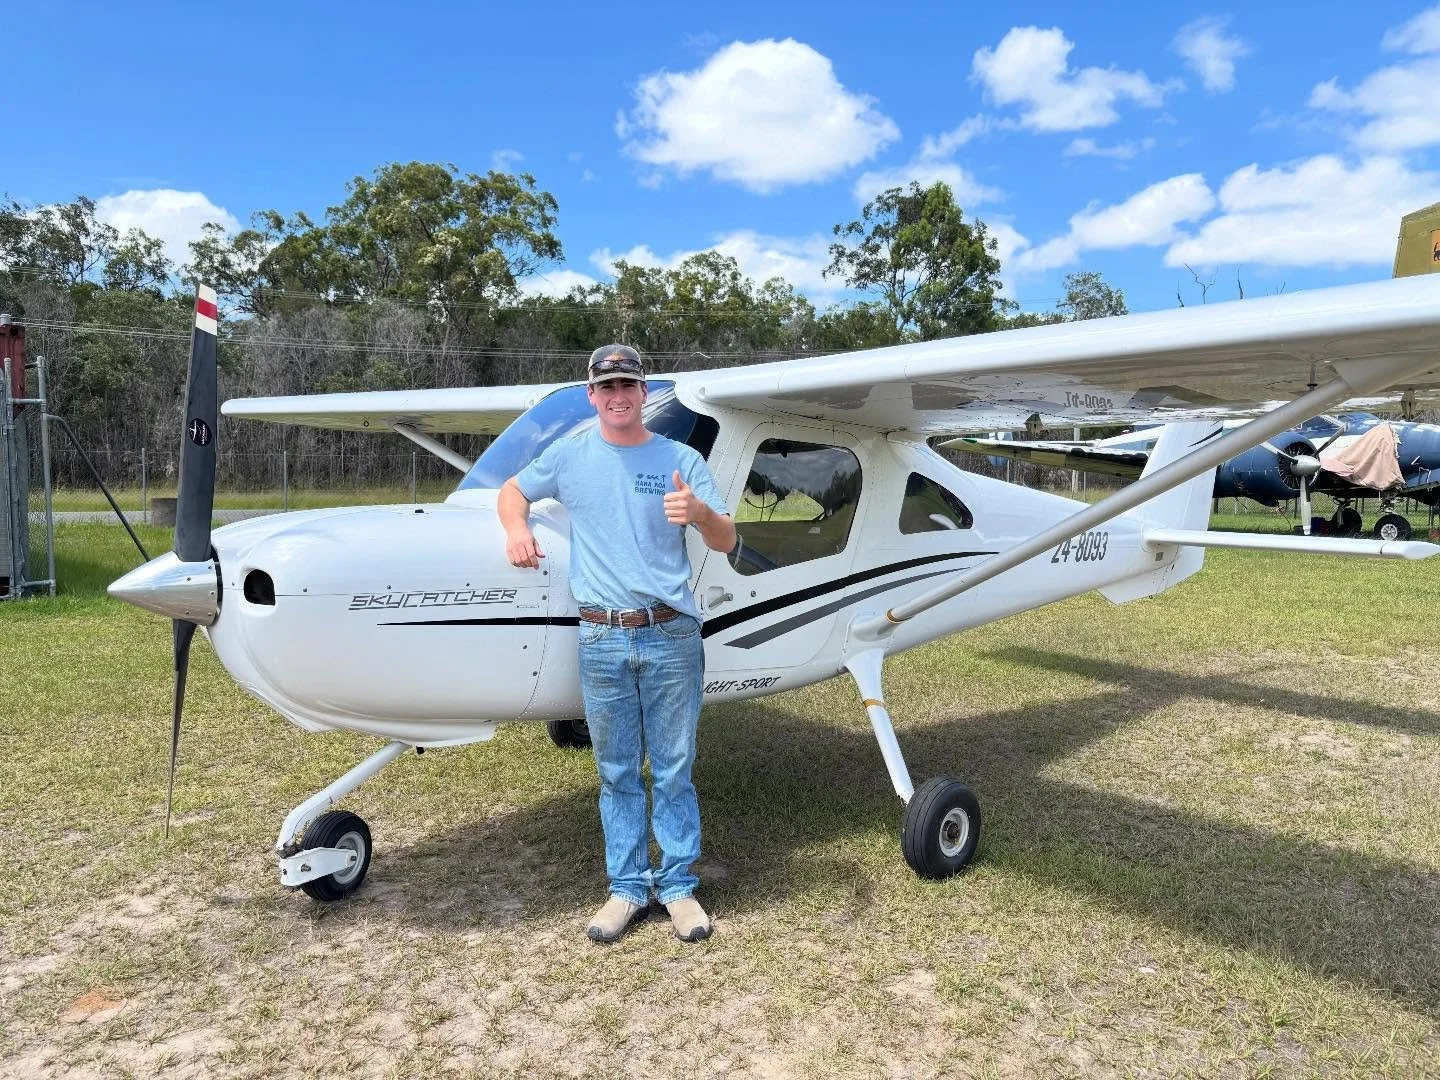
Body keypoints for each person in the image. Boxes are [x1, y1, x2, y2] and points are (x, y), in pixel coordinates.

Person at [498, 344, 736, 944]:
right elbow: (512, 491)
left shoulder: (680, 457)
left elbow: (729, 538)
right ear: (592, 395)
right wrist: (516, 527)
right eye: (608, 388)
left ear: (643, 392)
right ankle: (628, 888)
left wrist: (700, 513)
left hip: (672, 633)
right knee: (616, 771)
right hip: (601, 635)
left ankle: (679, 887)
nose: (619, 396)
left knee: (675, 770)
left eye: (628, 385)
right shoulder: (570, 456)